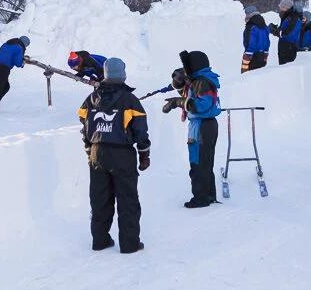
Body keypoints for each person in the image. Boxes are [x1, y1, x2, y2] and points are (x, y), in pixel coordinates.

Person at [77, 57, 150, 253]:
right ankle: (129, 244)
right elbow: (141, 131)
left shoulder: (91, 98)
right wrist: (144, 154)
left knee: (99, 199)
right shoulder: (130, 100)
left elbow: (84, 123)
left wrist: (88, 148)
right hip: (122, 155)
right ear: (123, 75)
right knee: (127, 199)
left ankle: (100, 240)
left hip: (97, 153)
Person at [162, 51, 222, 208]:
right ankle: (208, 195)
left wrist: (178, 102)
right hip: (206, 125)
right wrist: (178, 81)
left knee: (198, 164)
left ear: (194, 65)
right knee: (205, 163)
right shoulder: (201, 80)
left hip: (201, 127)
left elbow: (201, 105)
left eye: (188, 65)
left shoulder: (201, 82)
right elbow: (188, 93)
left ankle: (201, 198)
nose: (186, 68)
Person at [268, 0, 302, 65]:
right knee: (283, 67)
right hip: (285, 46)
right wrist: (275, 28)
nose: (280, 9)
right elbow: (284, 29)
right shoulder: (287, 17)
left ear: (286, 8)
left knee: (286, 68)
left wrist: (275, 31)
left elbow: (288, 33)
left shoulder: (293, 18)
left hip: (288, 47)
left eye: (281, 7)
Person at [242, 6, 271, 73]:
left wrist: (246, 60)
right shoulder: (264, 26)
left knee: (247, 77)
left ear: (249, 15)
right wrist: (265, 55)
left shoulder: (250, 27)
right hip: (262, 56)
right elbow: (267, 42)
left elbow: (250, 43)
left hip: (252, 57)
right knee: (259, 76)